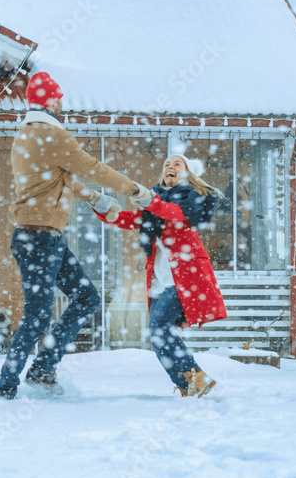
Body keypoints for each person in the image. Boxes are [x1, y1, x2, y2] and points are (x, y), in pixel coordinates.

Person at [0, 72, 152, 400]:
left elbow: (60, 178)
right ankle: (5, 385)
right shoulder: (53, 136)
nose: (62, 103)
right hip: (40, 240)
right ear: (49, 100)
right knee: (37, 318)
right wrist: (135, 191)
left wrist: (95, 199)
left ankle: (42, 368)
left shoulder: (26, 135)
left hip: (39, 238)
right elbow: (93, 169)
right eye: (59, 97)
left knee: (86, 298)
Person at [97, 153, 227, 397]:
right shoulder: (155, 206)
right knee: (157, 336)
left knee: (159, 329)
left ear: (187, 173)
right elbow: (131, 219)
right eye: (167, 164)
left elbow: (173, 212)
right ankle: (188, 384)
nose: (170, 166)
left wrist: (149, 201)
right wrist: (102, 207)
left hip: (184, 277)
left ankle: (196, 378)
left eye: (177, 164)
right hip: (159, 280)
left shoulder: (192, 199)